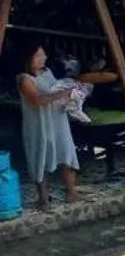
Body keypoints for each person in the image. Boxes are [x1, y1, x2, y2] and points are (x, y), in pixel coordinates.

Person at [15, 46, 80, 209]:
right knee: (40, 158)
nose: (42, 59)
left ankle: (72, 193)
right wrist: (62, 93)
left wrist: (70, 97)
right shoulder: (24, 79)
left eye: (44, 55)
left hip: (57, 120)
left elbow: (56, 90)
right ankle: (44, 199)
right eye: (38, 56)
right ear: (28, 58)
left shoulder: (47, 72)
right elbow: (37, 101)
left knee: (66, 153)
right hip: (39, 125)